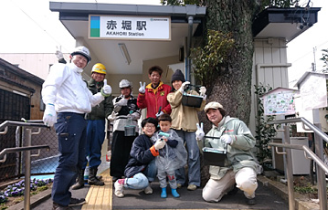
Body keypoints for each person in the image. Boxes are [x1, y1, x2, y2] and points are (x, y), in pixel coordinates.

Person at [42, 46, 113, 210]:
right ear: (71, 56)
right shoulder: (62, 68)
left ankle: (64, 196)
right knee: (68, 159)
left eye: (84, 59)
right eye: (79, 57)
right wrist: (50, 105)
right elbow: (50, 85)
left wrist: (103, 94)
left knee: (79, 159)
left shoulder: (80, 81)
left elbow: (91, 101)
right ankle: (59, 201)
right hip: (67, 117)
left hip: (81, 119)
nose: (81, 61)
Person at [196, 102, 261, 205]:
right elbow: (205, 152)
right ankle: (230, 186)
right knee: (208, 196)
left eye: (214, 111)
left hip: (242, 164)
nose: (212, 114)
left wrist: (233, 139)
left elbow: (251, 142)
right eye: (209, 113)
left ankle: (250, 195)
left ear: (221, 111)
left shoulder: (236, 123)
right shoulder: (210, 133)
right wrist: (199, 140)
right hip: (224, 170)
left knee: (246, 182)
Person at [71, 63, 114, 190]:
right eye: (97, 73)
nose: (99, 76)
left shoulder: (106, 89)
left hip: (100, 122)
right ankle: (80, 179)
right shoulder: (84, 85)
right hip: (86, 120)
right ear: (92, 74)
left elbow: (108, 106)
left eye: (102, 74)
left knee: (96, 148)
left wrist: (109, 116)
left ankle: (92, 177)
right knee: (83, 148)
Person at [167, 69, 207, 191]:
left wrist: (203, 96)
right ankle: (179, 180)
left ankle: (194, 181)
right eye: (174, 81)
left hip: (191, 127)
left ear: (183, 81)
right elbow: (174, 102)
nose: (176, 83)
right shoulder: (172, 95)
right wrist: (181, 90)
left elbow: (200, 107)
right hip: (176, 127)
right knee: (177, 155)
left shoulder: (192, 92)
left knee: (194, 154)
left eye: (178, 81)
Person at [113, 117, 165, 198]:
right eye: (147, 126)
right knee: (142, 181)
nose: (150, 128)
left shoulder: (156, 139)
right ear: (143, 129)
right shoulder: (139, 140)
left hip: (146, 169)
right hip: (135, 168)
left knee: (157, 159)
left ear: (155, 128)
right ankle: (121, 182)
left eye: (152, 126)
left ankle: (146, 184)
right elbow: (141, 157)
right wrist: (154, 148)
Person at [108, 79, 141, 181]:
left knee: (130, 150)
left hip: (131, 126)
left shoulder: (136, 101)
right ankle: (116, 173)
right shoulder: (116, 100)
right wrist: (119, 105)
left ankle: (129, 171)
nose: (125, 91)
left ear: (131, 89)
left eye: (127, 88)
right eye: (123, 89)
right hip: (119, 126)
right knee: (117, 150)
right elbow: (112, 114)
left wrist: (134, 115)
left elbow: (139, 113)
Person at [151, 114, 187, 198]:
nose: (164, 127)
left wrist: (168, 141)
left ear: (170, 124)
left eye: (166, 125)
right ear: (159, 124)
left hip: (170, 159)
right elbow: (153, 144)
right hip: (160, 158)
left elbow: (176, 143)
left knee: (171, 175)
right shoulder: (157, 134)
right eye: (162, 125)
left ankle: (173, 189)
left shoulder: (172, 133)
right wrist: (158, 142)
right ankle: (163, 189)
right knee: (161, 175)